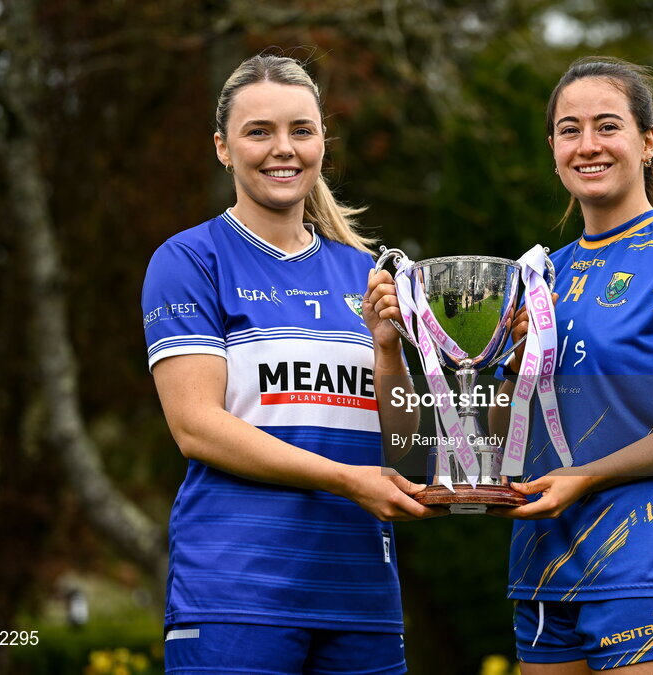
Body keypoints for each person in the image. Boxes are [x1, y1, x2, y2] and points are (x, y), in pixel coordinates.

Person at [141, 54, 437, 675]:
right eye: (259, 132)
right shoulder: (190, 260)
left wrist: (388, 350)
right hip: (236, 596)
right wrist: (346, 479)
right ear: (223, 148)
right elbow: (195, 426)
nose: (284, 149)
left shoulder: (366, 271)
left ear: (323, 142)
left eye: (301, 130)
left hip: (362, 598)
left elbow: (413, 460)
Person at [487, 57, 653, 674]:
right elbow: (507, 443)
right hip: (543, 572)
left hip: (649, 571)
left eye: (607, 125)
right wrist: (509, 366)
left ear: (647, 142)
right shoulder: (537, 276)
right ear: (552, 147)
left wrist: (588, 477)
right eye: (569, 129)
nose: (588, 145)